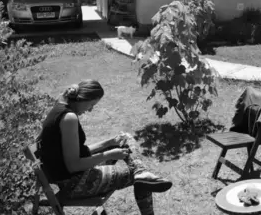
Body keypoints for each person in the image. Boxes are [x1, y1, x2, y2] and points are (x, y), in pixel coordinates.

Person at [37, 79, 171, 215]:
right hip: (75, 184)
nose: (90, 109)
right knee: (137, 178)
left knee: (125, 139)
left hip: (72, 175)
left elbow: (76, 153)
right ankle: (140, 175)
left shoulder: (60, 107)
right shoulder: (69, 118)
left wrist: (109, 143)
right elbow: (74, 165)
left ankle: (141, 172)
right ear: (83, 98)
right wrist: (109, 154)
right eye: (91, 104)